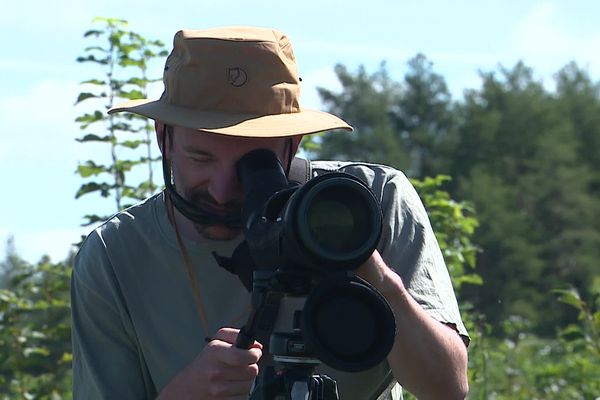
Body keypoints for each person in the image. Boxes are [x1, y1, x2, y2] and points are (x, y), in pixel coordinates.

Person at [71, 26, 469, 400]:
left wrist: (371, 269)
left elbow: (447, 387)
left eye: (251, 164)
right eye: (201, 157)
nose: (222, 190)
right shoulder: (114, 254)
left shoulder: (371, 201)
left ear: (291, 145)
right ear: (163, 137)